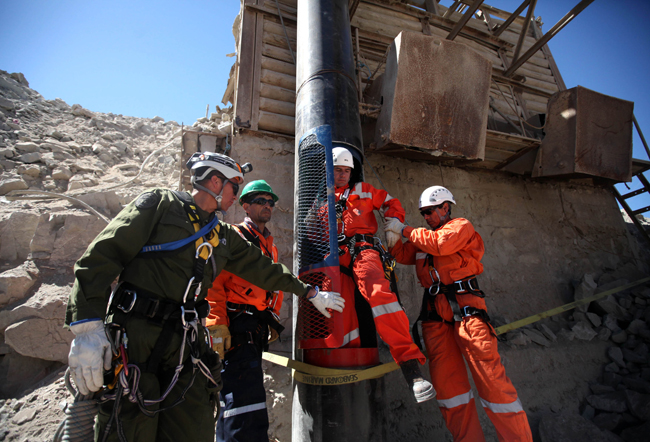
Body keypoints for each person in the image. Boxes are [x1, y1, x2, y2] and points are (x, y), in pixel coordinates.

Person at [65, 152, 345, 442]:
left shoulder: (222, 235)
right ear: (214, 180)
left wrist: (310, 292)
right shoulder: (160, 205)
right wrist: (86, 328)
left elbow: (264, 269)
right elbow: (101, 256)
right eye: (234, 187)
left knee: (192, 423)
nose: (236, 195)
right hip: (136, 335)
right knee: (130, 424)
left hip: (185, 342)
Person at [385, 185, 533, 441]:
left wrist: (406, 229)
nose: (427, 217)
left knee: (492, 383)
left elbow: (441, 245)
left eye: (430, 211)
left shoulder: (460, 227)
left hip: (468, 313)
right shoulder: (423, 239)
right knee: (448, 389)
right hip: (435, 317)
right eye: (423, 213)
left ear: (446, 207)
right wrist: (392, 229)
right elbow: (399, 254)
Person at [330, 146, 434, 403]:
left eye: (346, 171)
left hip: (363, 249)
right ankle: (346, 372)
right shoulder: (322, 198)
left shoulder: (362, 190)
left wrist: (394, 226)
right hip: (334, 259)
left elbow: (390, 202)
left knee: (381, 296)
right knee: (339, 311)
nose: (342, 175)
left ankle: (412, 370)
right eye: (337, 170)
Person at [205, 179, 285, 441]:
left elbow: (274, 285)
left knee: (245, 396)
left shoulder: (268, 245)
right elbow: (214, 282)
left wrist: (271, 319)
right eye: (261, 201)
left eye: (270, 202)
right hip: (236, 324)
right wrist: (216, 323)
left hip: (255, 326)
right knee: (241, 396)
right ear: (246, 206)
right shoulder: (235, 237)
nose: (267, 205)